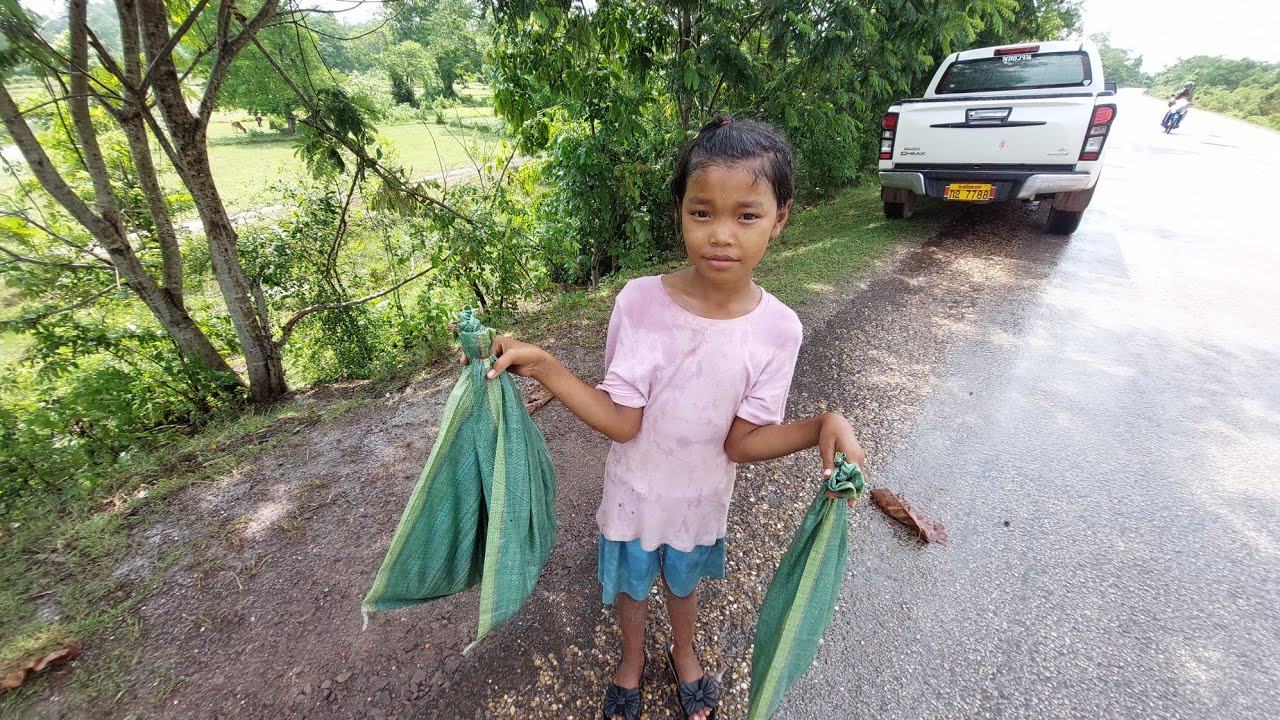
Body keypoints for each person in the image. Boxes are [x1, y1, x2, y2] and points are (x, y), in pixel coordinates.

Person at [464, 117, 865, 720]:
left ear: (781, 217)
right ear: (680, 210)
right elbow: (622, 418)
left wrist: (820, 426)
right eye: (702, 213)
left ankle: (685, 653)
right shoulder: (638, 302)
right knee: (631, 588)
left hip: (702, 498)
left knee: (684, 584)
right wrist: (548, 368)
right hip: (633, 493)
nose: (721, 235)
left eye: (747, 215)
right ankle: (630, 661)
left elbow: (742, 442)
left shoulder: (780, 330)